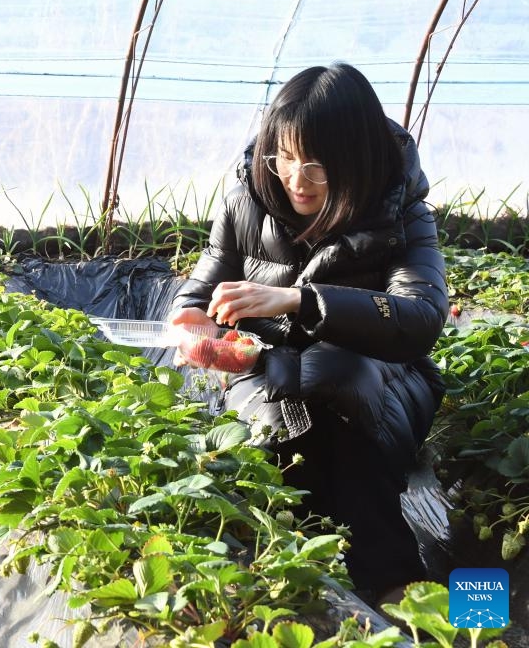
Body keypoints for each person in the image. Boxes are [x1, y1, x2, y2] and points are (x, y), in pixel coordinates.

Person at [168, 63, 447, 603]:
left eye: (317, 165)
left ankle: (394, 585)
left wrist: (303, 301)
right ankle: (301, 580)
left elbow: (421, 317)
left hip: (380, 379)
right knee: (280, 413)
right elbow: (202, 285)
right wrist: (192, 319)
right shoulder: (247, 195)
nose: (296, 179)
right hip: (269, 373)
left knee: (336, 379)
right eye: (286, 157)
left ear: (356, 159)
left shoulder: (400, 208)